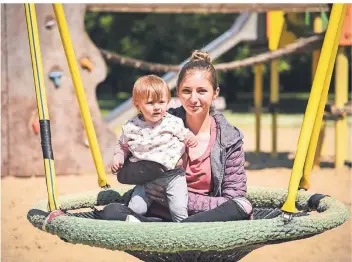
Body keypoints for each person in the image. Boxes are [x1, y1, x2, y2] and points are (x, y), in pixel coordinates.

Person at [99, 50, 253, 223]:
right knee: (111, 211)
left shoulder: (229, 138)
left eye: (202, 91)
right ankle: (164, 228)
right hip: (156, 211)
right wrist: (145, 171)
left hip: (202, 216)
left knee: (240, 206)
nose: (193, 99)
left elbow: (233, 198)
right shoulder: (154, 123)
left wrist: (179, 199)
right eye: (186, 91)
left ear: (215, 93)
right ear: (178, 93)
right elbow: (128, 171)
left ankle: (179, 228)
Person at [111, 74, 198, 222]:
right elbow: (123, 146)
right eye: (150, 103)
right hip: (145, 176)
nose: (157, 107)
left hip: (173, 175)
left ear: (168, 102)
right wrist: (119, 156)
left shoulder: (173, 122)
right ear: (138, 105)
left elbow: (186, 134)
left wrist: (190, 138)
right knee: (136, 209)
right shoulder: (131, 127)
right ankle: (138, 236)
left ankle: (183, 234)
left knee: (178, 209)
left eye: (161, 102)